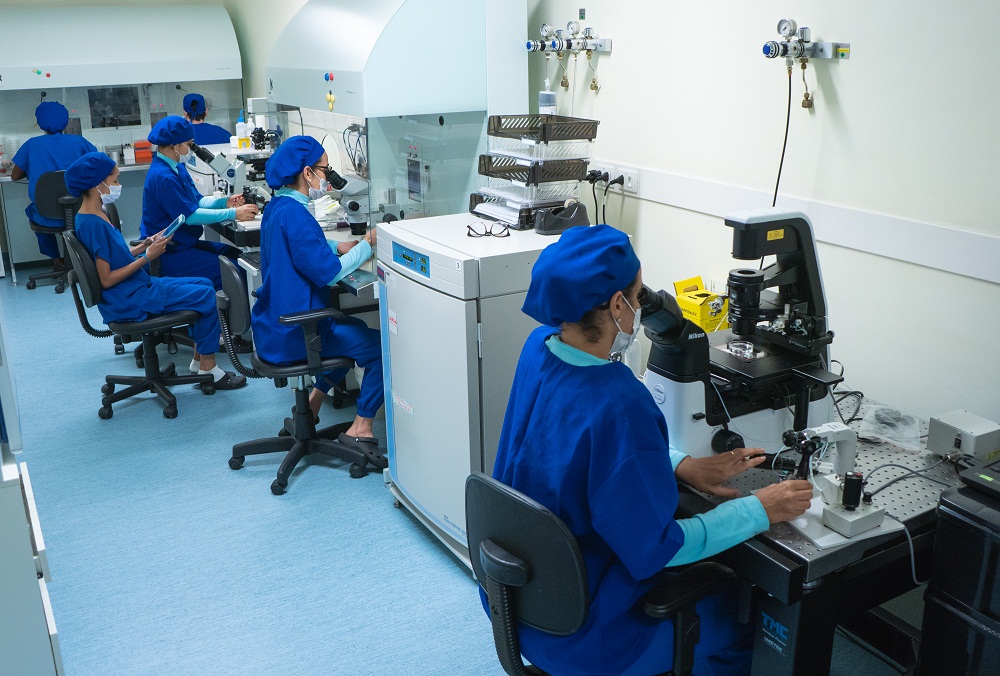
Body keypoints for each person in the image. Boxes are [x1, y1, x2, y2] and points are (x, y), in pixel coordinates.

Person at [486, 224, 814, 676]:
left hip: (519, 602)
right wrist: (760, 509)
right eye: (638, 294)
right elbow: (659, 549)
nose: (642, 306)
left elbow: (568, 447)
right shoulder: (620, 400)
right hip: (590, 635)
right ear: (617, 305)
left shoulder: (538, 349)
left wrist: (678, 464)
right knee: (748, 621)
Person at [67, 152, 247, 391]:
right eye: (114, 180)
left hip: (134, 288)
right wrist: (147, 257)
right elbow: (107, 279)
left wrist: (144, 245)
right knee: (206, 295)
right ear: (96, 184)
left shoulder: (93, 215)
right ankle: (209, 370)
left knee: (204, 283)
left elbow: (113, 257)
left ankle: (198, 362)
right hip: (129, 298)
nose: (118, 185)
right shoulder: (94, 224)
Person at [250, 136, 383, 454]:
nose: (328, 176)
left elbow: (301, 246)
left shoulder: (278, 206)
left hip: (274, 326)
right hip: (296, 333)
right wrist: (367, 244)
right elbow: (330, 274)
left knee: (354, 331)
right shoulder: (295, 214)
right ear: (307, 173)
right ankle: (362, 426)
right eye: (325, 169)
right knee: (381, 349)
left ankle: (313, 403)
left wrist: (337, 246)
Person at [139, 115, 258, 291]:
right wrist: (234, 213)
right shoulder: (163, 177)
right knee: (235, 272)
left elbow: (198, 200)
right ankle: (227, 310)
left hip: (183, 243)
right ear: (174, 145)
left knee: (238, 256)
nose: (192, 149)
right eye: (189, 144)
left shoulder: (177, 167)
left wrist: (225, 202)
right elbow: (191, 216)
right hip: (167, 253)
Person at [10, 101, 97, 267]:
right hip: (80, 211)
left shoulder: (31, 144)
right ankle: (85, 259)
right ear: (65, 120)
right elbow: (98, 166)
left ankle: (56, 259)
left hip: (46, 216)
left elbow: (14, 176)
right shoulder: (79, 142)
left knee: (33, 210)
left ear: (40, 122)